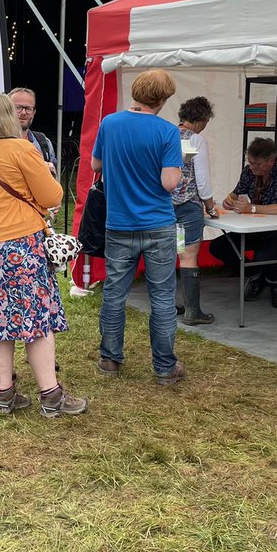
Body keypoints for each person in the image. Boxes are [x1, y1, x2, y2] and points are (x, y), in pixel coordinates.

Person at [0, 93, 86, 417]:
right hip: (19, 249)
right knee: (36, 322)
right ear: (9, 118)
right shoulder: (22, 149)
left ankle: (4, 395)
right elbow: (52, 195)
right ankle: (51, 396)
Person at [91, 69, 185, 384]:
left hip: (118, 223)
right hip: (158, 224)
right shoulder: (168, 132)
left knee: (115, 293)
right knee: (161, 296)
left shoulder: (110, 123)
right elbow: (169, 182)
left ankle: (110, 359)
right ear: (162, 98)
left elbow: (96, 165)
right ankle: (164, 368)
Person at [216, 137, 277, 309]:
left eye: (257, 164)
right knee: (219, 247)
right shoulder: (249, 171)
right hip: (256, 230)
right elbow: (236, 193)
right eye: (250, 162)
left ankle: (276, 279)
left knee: (263, 256)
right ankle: (256, 273)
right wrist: (229, 200)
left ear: (271, 161)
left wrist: (253, 209)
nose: (252, 167)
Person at [173, 97, 219, 325]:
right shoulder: (196, 140)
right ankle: (193, 312)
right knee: (188, 255)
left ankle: (168, 306)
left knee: (169, 253)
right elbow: (201, 180)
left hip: (165, 207)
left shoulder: (166, 135)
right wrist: (211, 207)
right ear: (201, 120)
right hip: (188, 208)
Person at [9, 87, 57, 176]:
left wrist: (51, 172)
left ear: (34, 112)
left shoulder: (43, 143)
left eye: (28, 108)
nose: (23, 112)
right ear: (7, 110)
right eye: (18, 107)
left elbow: (55, 183)